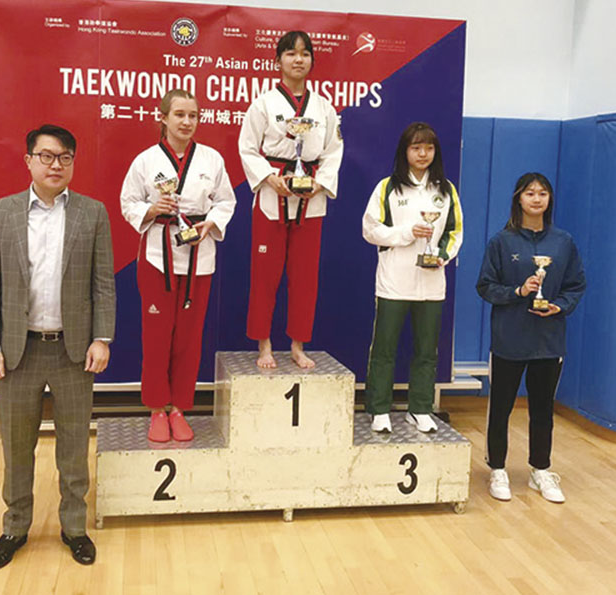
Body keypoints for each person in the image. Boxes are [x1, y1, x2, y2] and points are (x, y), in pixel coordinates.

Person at [0, 124, 116, 568]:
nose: (56, 164)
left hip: (73, 352)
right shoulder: (0, 213)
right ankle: (15, 527)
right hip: (17, 352)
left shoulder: (93, 213)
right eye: (47, 156)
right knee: (17, 448)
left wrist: (102, 338)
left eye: (65, 157)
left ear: (73, 162)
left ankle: (74, 527)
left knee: (73, 449)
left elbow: (103, 283)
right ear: (29, 161)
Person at [120, 90, 236, 442]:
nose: (187, 122)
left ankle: (180, 408)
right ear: (163, 118)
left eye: (193, 115)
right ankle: (157, 408)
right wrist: (151, 210)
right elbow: (128, 202)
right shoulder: (145, 161)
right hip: (158, 257)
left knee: (189, 337)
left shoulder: (212, 159)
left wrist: (210, 224)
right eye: (180, 115)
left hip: (199, 256)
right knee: (157, 337)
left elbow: (226, 201)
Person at [476, 172, 586, 503]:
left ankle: (541, 469)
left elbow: (576, 284)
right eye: (530, 193)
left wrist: (559, 305)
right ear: (518, 199)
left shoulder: (563, 242)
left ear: (549, 200)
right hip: (509, 339)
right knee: (501, 408)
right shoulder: (501, 241)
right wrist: (518, 291)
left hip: (549, 341)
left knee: (542, 409)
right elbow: (485, 286)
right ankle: (497, 468)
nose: (536, 199)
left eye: (542, 194)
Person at [238, 30, 344, 369]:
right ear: (278, 61)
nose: (298, 59)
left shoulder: (324, 107)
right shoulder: (263, 104)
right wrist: (269, 178)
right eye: (291, 53)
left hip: (310, 200)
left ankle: (298, 345)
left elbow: (333, 151)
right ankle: (264, 344)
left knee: (305, 277)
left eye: (305, 53)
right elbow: (247, 148)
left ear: (312, 60)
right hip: (272, 198)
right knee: (265, 275)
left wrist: (320, 183)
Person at [362, 122, 463, 434]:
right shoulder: (387, 188)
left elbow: (454, 232)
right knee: (384, 348)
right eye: (416, 147)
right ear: (404, 151)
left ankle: (420, 408)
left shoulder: (446, 190)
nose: (423, 154)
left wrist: (442, 256)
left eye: (429, 148)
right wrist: (406, 233)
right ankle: (379, 409)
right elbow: (370, 230)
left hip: (432, 284)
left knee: (427, 350)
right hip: (394, 281)